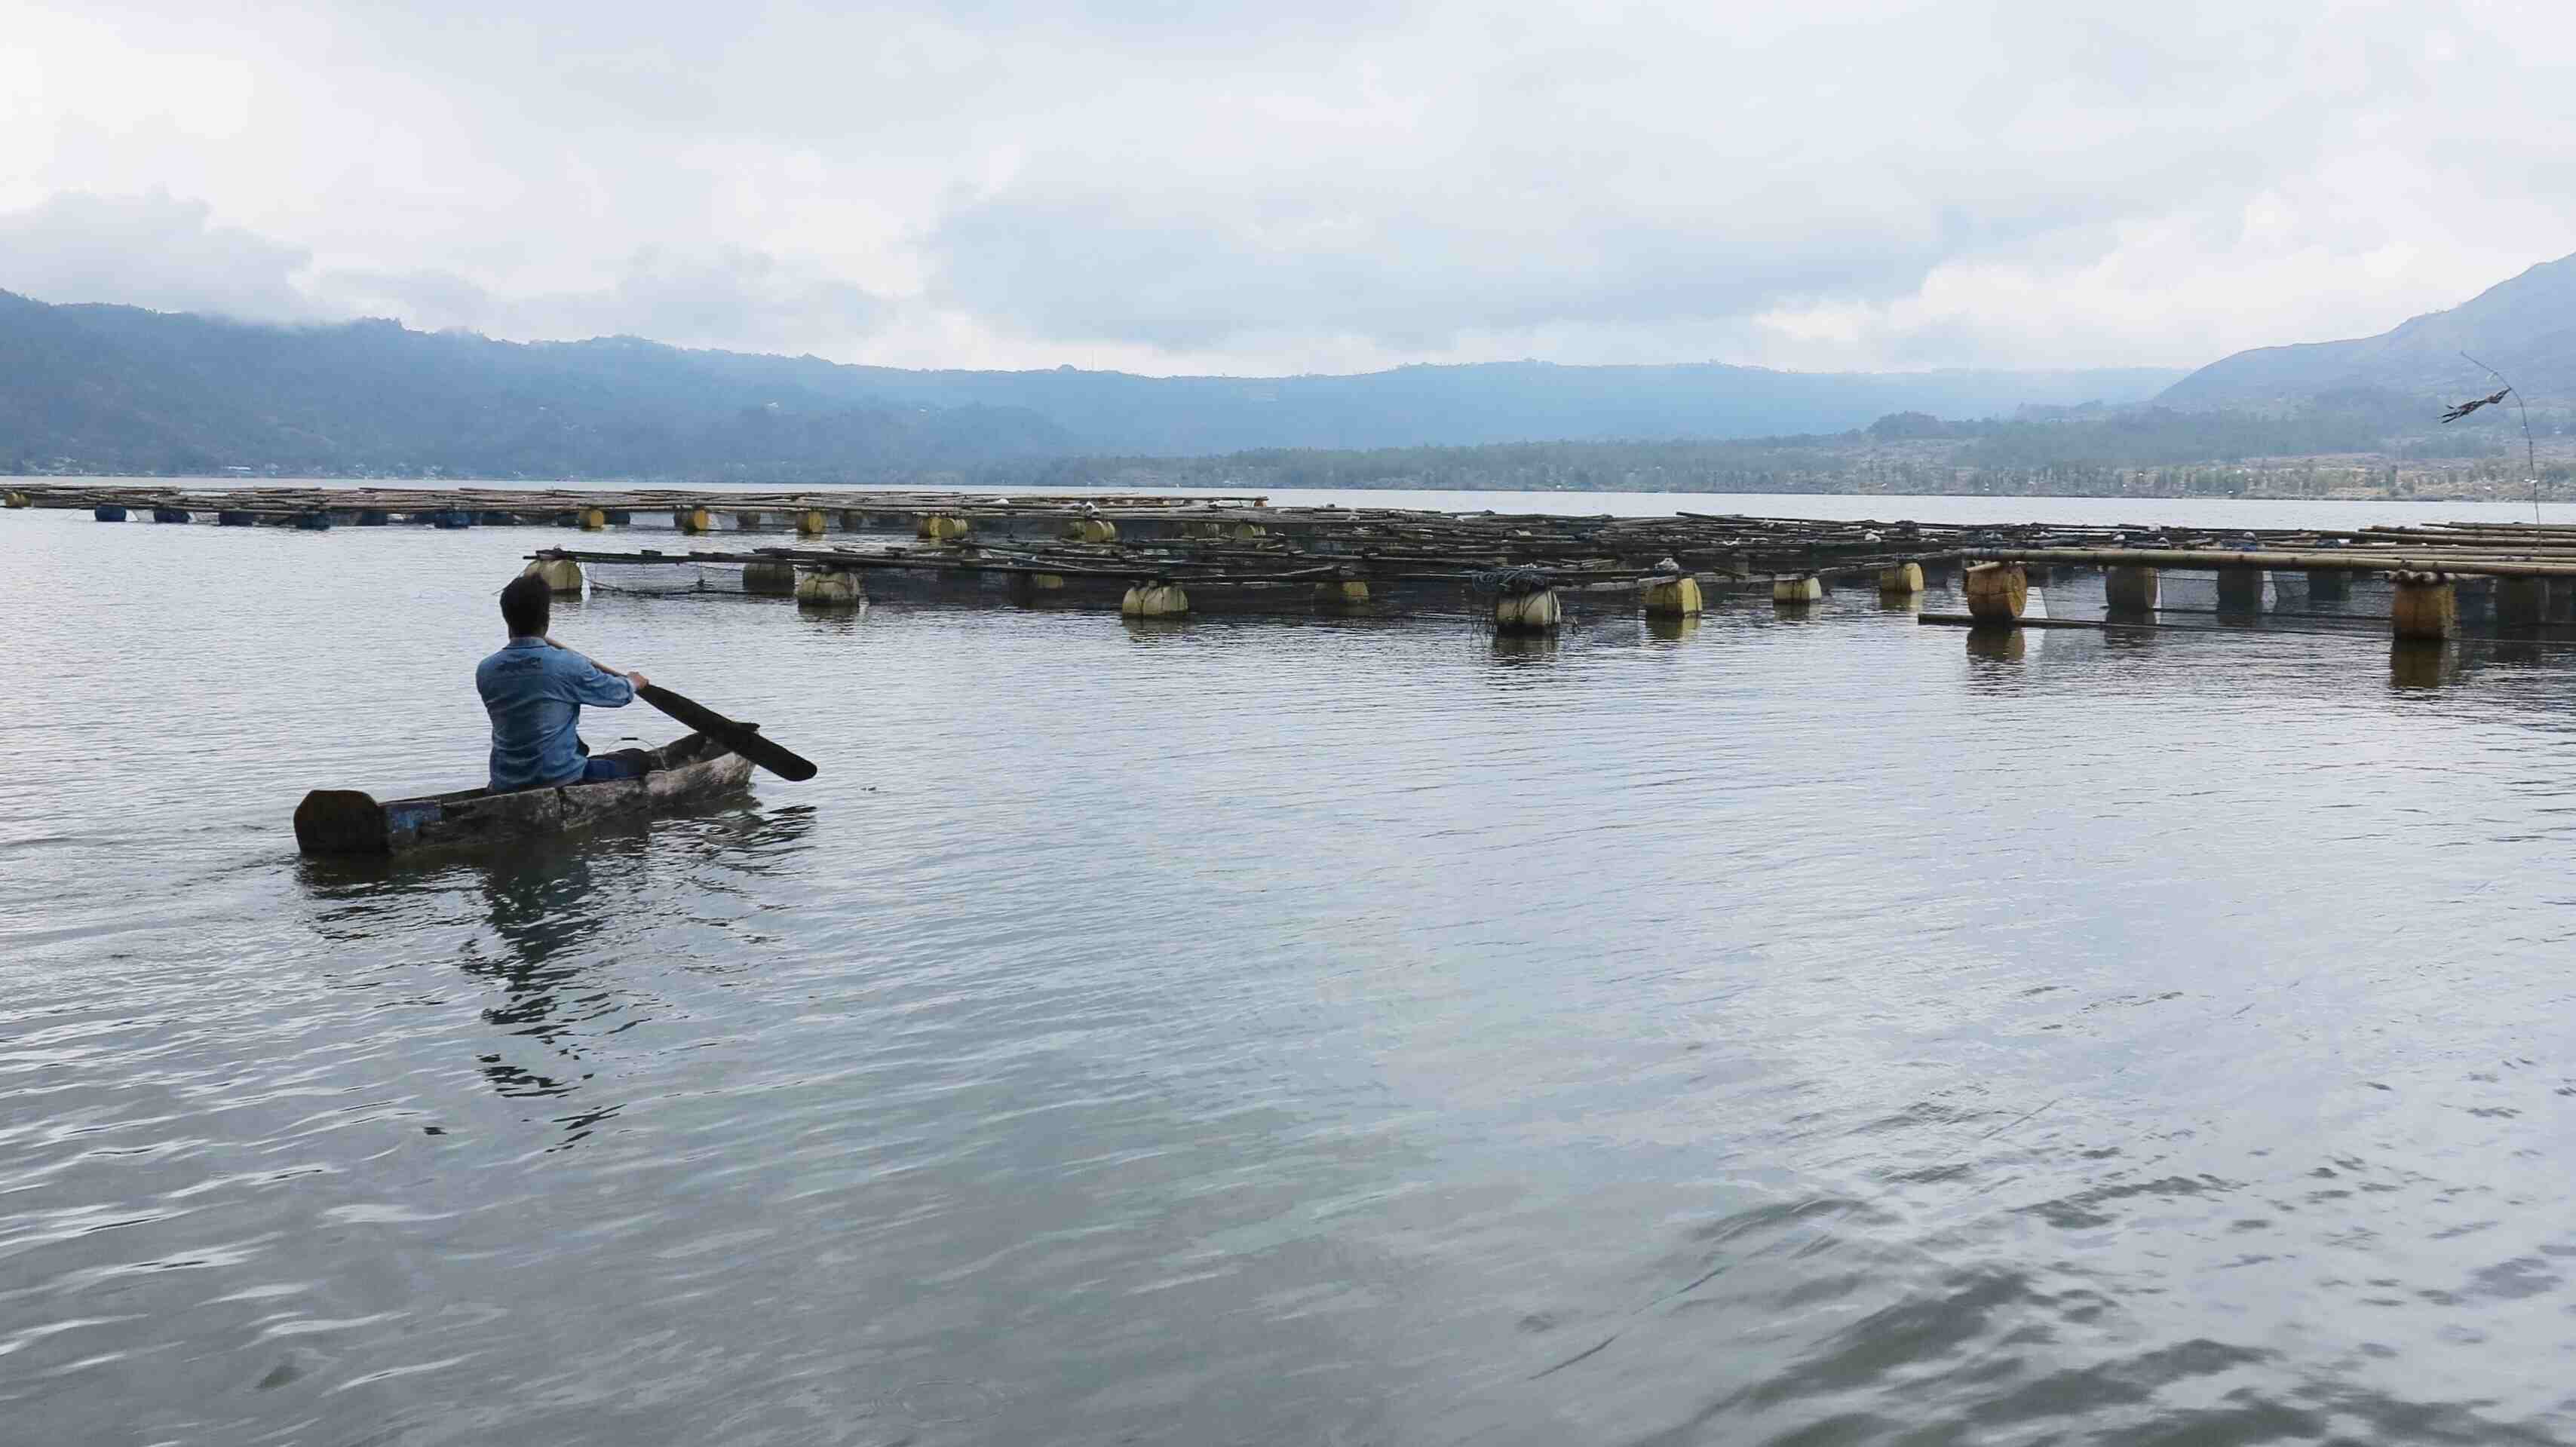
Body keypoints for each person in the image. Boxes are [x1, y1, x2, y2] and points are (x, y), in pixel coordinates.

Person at [477, 573, 654, 792]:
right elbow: (616, 695)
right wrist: (633, 683)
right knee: (639, 758)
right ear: (547, 619)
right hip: (561, 777)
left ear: (507, 618)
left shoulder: (486, 669)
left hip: (505, 781)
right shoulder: (566, 664)